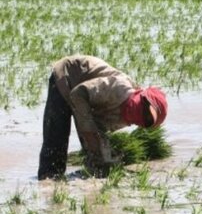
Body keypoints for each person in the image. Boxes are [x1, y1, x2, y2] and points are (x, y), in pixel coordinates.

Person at [38, 55, 168, 180]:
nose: (142, 115)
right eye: (145, 108)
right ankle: (47, 184)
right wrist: (89, 132)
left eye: (147, 119)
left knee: (95, 156)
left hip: (86, 100)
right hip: (67, 76)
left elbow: (98, 127)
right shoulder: (119, 88)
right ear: (142, 95)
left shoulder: (125, 118)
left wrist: (105, 153)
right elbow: (78, 94)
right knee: (56, 142)